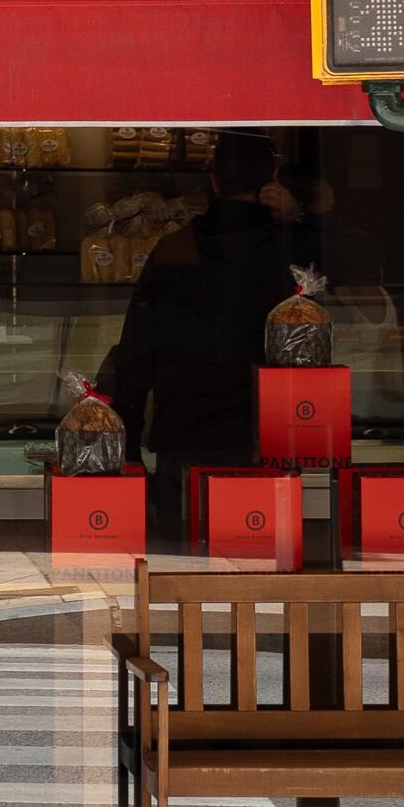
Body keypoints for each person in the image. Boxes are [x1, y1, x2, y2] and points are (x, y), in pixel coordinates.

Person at [95, 132, 312, 532]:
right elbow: (368, 262)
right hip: (269, 432)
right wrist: (301, 216)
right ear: (273, 177)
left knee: (183, 559)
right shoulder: (290, 247)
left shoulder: (176, 248)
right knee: (260, 550)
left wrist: (127, 443)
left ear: (213, 181)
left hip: (186, 427)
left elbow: (137, 350)